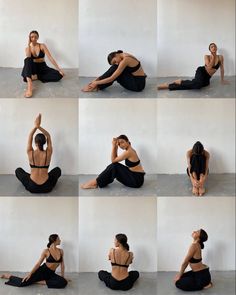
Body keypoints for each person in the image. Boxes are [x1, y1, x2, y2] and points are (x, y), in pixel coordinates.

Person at [15, 113, 61, 193]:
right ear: (45, 142)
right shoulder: (48, 153)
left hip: (32, 187)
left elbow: (30, 135)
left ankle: (32, 177)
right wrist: (39, 127)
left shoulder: (30, 152)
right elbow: (48, 136)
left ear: (35, 142)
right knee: (58, 170)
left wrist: (36, 126)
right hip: (47, 187)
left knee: (18, 170)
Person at [1, 234, 68, 289]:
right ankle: (8, 276)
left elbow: (62, 265)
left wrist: (62, 276)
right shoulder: (46, 251)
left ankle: (35, 281)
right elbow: (38, 263)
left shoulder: (61, 251)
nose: (60, 240)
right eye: (59, 239)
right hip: (42, 271)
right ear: (54, 240)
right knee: (22, 283)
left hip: (51, 273)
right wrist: (29, 274)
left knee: (63, 282)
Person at [80, 135, 145, 189]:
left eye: (122, 142)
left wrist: (114, 146)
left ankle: (95, 182)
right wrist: (116, 147)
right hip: (135, 176)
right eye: (119, 144)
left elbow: (113, 160)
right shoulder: (129, 150)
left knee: (114, 166)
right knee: (114, 166)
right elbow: (115, 160)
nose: (121, 145)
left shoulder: (129, 152)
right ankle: (97, 181)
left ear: (128, 142)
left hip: (136, 180)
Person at [158, 43, 229, 91]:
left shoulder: (220, 57)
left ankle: (176, 83)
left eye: (215, 46)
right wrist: (213, 57)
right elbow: (210, 67)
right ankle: (171, 84)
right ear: (210, 50)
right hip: (201, 71)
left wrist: (222, 80)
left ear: (216, 48)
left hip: (207, 78)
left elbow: (222, 69)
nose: (214, 47)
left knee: (196, 85)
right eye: (212, 47)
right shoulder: (206, 56)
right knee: (197, 85)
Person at [22, 30, 64, 98]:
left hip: (42, 67)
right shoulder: (27, 48)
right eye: (32, 37)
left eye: (35, 37)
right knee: (27, 59)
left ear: (38, 37)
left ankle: (36, 76)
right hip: (33, 68)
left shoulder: (42, 46)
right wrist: (28, 44)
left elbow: (50, 57)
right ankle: (30, 87)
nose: (34, 39)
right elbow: (29, 57)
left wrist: (59, 69)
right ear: (29, 38)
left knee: (59, 76)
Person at [82, 50, 146, 92]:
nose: (117, 63)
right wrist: (97, 80)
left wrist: (96, 82)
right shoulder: (124, 55)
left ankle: (95, 86)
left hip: (138, 85)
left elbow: (111, 78)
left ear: (116, 55)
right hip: (137, 80)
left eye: (115, 61)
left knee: (115, 71)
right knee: (115, 67)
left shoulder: (125, 60)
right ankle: (96, 84)